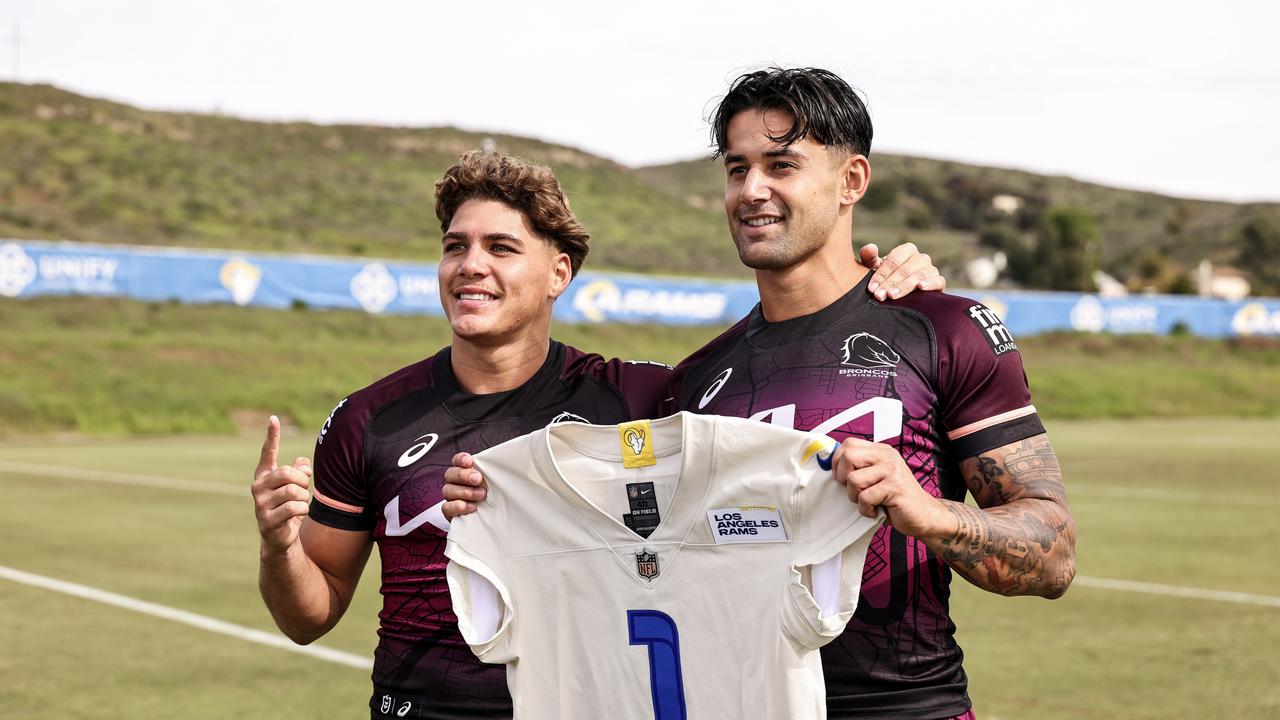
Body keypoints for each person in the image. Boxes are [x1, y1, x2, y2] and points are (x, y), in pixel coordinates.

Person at [444, 67, 1076, 720]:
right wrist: (491, 495)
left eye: (781, 165)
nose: (752, 191)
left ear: (851, 181)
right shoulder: (690, 387)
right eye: (736, 168)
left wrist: (927, 513)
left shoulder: (944, 330)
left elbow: (1054, 556)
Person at [251, 150, 943, 719]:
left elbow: (776, 357)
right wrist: (280, 548)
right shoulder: (369, 419)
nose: (471, 266)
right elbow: (309, 617)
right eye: (455, 246)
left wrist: (879, 277)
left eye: (500, 248)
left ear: (559, 273)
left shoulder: (641, 399)